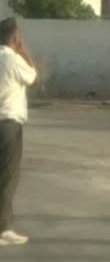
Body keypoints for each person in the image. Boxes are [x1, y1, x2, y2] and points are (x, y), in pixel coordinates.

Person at [0, 18, 37, 247]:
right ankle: (3, 229)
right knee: (6, 176)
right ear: (15, 37)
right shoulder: (12, 60)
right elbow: (32, 76)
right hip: (7, 124)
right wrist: (25, 52)